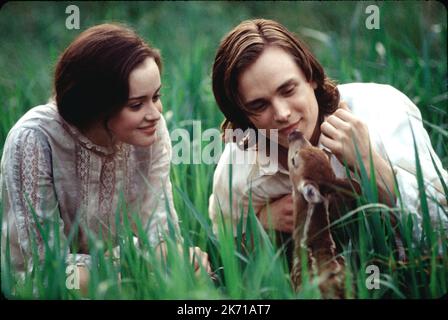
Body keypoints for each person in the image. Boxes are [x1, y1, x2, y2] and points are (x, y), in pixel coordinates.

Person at [208, 19, 448, 263]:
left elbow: (441, 225)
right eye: (259, 105)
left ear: (310, 76)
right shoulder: (237, 168)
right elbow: (229, 254)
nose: (282, 113)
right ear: (243, 115)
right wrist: (262, 221)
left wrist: (368, 162)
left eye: (288, 90)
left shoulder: (382, 110)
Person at [0, 23, 210, 292]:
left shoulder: (151, 130)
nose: (155, 114)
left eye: (156, 97)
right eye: (136, 105)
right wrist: (124, 281)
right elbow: (47, 264)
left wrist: (179, 259)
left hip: (119, 264)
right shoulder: (35, 138)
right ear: (96, 105)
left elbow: (159, 231)